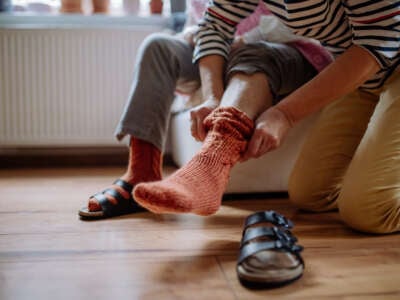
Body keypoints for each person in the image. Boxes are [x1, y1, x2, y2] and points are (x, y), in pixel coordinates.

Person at [133, 0, 400, 234]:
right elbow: (215, 24)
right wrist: (213, 97)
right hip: (366, 80)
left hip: (382, 60)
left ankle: (209, 166)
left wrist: (284, 113)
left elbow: (378, 41)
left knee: (368, 211)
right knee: (310, 195)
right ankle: (211, 162)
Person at [79, 0, 332, 219]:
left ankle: (208, 170)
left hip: (284, 48)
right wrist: (212, 93)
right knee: (157, 46)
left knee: (253, 53)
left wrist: (242, 40)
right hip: (222, 50)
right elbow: (207, 24)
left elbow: (301, 23)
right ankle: (141, 173)